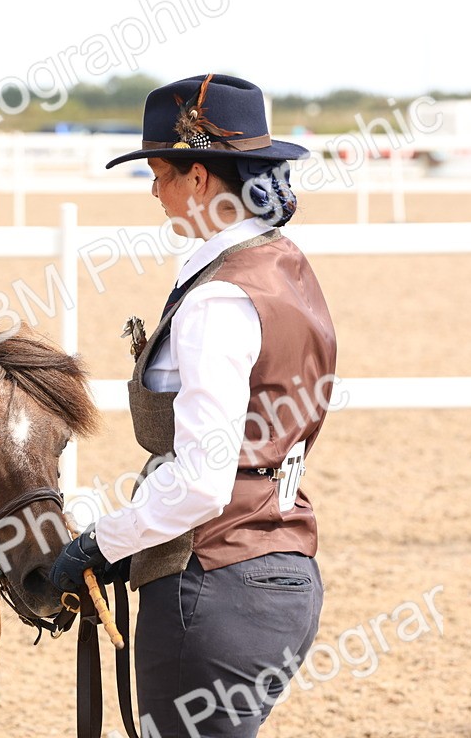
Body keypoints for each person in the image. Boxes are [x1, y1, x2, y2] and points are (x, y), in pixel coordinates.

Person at [50, 74, 337, 737]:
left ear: (200, 178)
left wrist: (100, 543)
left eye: (159, 173)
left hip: (213, 586)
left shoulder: (218, 299)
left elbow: (203, 482)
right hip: (286, 570)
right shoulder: (286, 267)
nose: (154, 192)